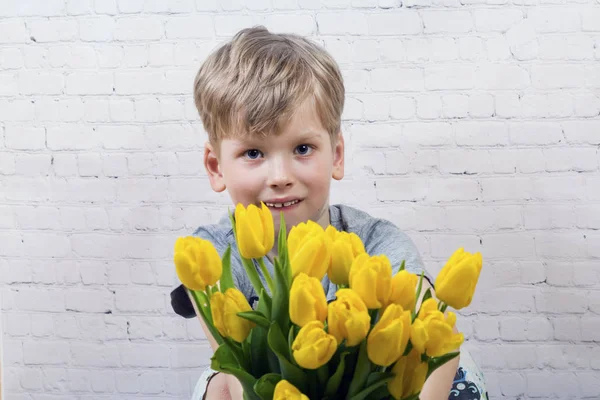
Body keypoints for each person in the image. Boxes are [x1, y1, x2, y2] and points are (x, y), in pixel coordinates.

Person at [170, 26, 488, 400]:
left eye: (302, 148)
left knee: (452, 376)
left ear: (336, 155)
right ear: (216, 166)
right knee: (218, 388)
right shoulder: (213, 254)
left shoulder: (373, 241)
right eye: (253, 153)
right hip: (266, 386)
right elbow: (239, 374)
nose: (281, 177)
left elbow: (435, 333)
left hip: (382, 383)